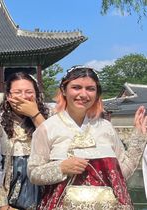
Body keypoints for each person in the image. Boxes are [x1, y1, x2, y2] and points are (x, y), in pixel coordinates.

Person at [27, 66, 147, 209]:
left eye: (90, 89)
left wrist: (139, 138)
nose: (83, 94)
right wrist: (61, 167)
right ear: (64, 90)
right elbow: (33, 173)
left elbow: (121, 174)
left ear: (97, 94)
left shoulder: (106, 128)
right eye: (76, 87)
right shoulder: (47, 128)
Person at [0, 72, 48, 210]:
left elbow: (54, 147)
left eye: (29, 92)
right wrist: (2, 205)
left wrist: (35, 115)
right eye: (18, 92)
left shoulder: (49, 117)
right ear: (8, 96)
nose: (23, 97)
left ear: (36, 94)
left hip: (40, 184)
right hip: (6, 185)